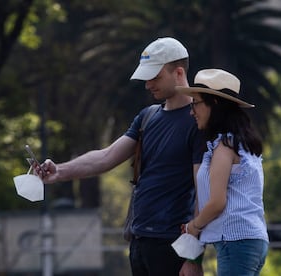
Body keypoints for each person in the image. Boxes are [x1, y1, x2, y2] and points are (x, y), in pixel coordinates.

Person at [36, 37, 205, 276]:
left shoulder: (198, 121)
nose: (148, 85)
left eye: (155, 77)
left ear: (178, 72)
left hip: (174, 244)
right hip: (138, 241)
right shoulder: (147, 116)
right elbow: (106, 157)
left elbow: (203, 193)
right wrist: (60, 171)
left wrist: (193, 256)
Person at [176, 69, 269, 276]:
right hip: (251, 240)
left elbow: (218, 202)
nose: (192, 111)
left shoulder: (225, 147)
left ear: (214, 104)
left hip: (235, 242)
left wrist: (194, 226)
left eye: (196, 103)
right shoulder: (242, 144)